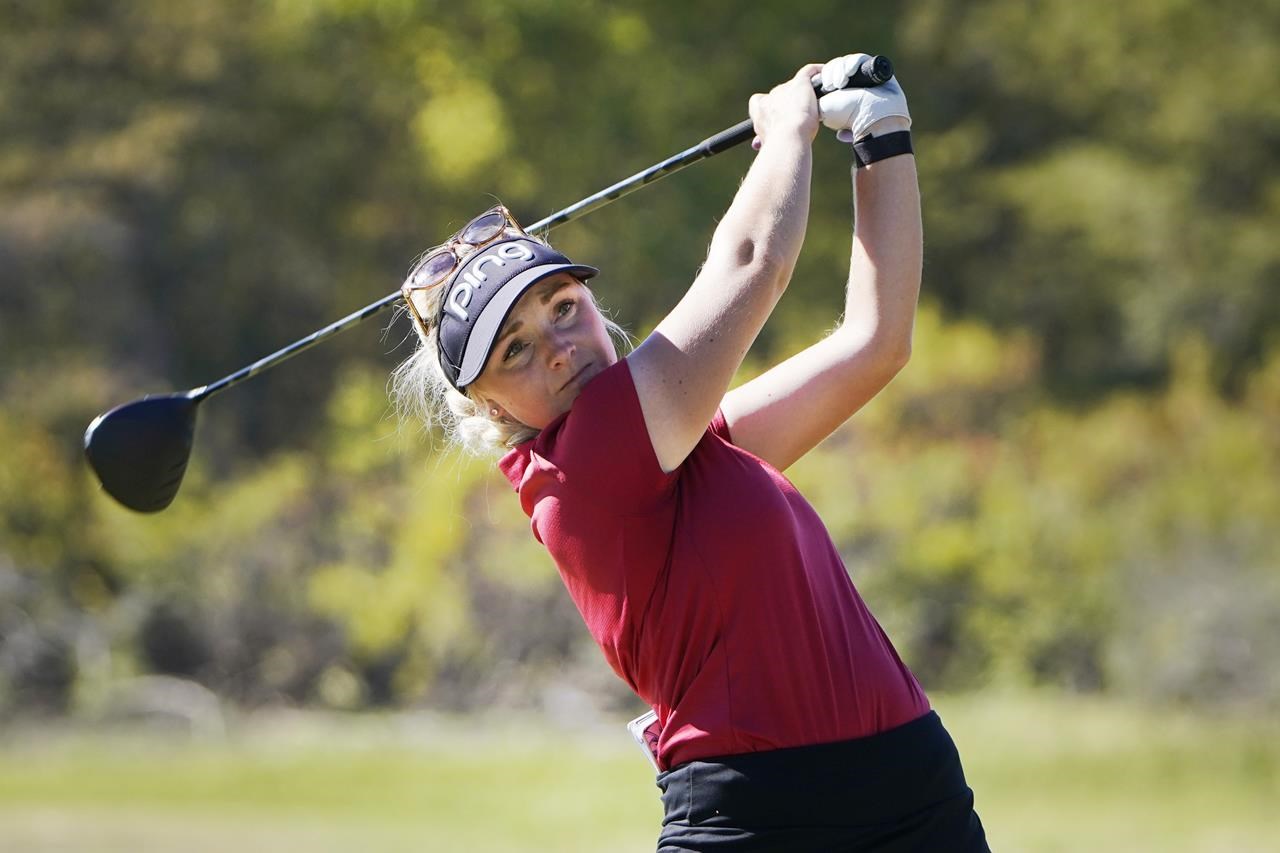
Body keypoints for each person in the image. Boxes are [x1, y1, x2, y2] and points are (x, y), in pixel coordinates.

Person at [393, 53, 988, 852]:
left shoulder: (691, 446)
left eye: (563, 307)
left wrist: (883, 136)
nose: (560, 348)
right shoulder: (587, 464)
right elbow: (752, 263)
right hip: (763, 819)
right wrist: (788, 132)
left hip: (913, 789)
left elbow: (876, 342)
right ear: (490, 405)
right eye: (517, 351)